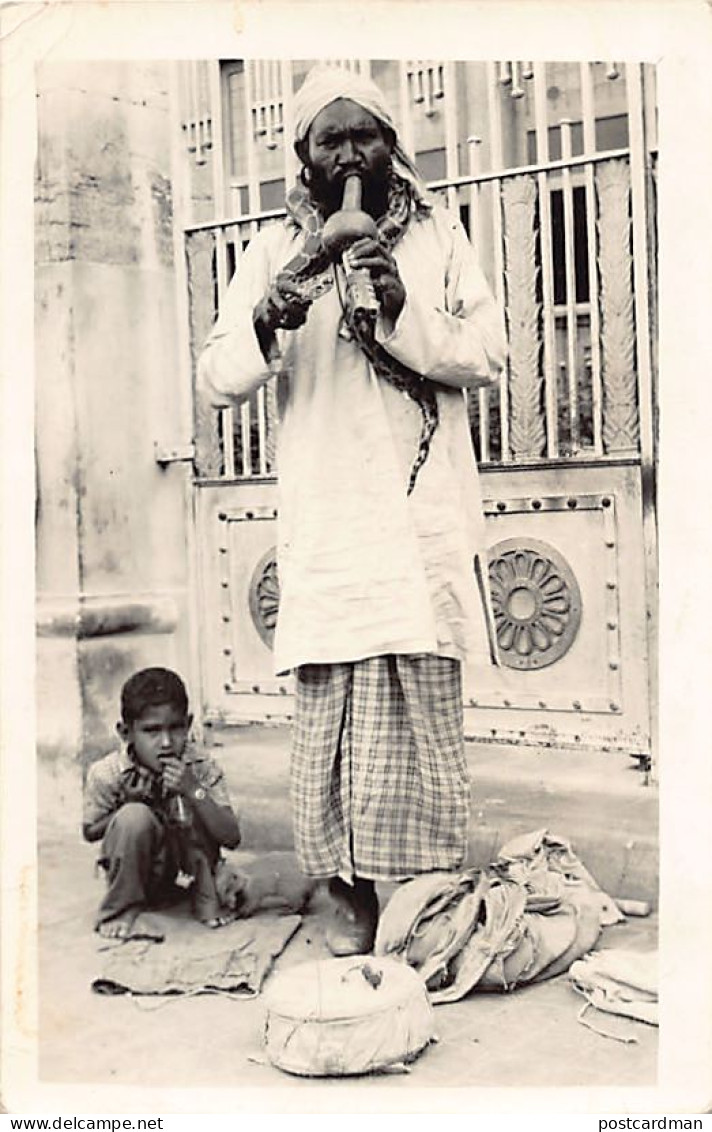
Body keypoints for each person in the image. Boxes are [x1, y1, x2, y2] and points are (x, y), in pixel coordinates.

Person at [198, 64, 506, 956]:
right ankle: (342, 891)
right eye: (328, 139)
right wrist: (269, 315)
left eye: (362, 135)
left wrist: (406, 309)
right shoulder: (266, 251)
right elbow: (217, 378)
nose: (347, 154)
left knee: (414, 708)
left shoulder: (441, 235)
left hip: (415, 526)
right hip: (332, 523)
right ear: (302, 154)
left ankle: (418, 893)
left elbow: (487, 354)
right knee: (335, 718)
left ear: (391, 145)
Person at [82, 666, 241, 939]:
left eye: (176, 728)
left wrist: (194, 789)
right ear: (126, 732)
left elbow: (231, 836)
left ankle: (204, 896)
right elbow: (90, 832)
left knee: (196, 808)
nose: (166, 742)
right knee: (134, 817)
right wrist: (128, 805)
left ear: (189, 724)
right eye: (151, 731)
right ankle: (123, 907)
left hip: (192, 866)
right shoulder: (108, 772)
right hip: (143, 868)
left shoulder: (200, 765)